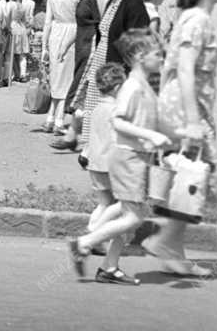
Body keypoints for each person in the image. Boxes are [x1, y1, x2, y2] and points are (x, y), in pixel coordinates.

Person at [142, 0, 217, 278]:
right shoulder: (197, 21)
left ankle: (173, 252)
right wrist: (192, 120)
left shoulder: (191, 18)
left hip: (181, 105)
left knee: (186, 173)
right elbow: (186, 68)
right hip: (188, 109)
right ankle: (164, 240)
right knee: (195, 172)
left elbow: (169, 67)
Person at [68, 28, 170, 285]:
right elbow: (119, 121)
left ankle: (109, 267)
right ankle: (85, 242)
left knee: (131, 217)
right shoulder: (133, 86)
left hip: (138, 156)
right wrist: (152, 135)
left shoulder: (142, 84)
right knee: (134, 217)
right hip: (128, 158)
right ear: (138, 55)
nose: (162, 58)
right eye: (157, 54)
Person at [55, 0, 150, 151]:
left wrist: (126, 74)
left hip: (117, 67)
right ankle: (91, 151)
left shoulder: (133, 5)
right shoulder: (114, 0)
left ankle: (97, 154)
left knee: (110, 115)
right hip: (101, 61)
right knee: (93, 111)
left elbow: (136, 43)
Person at [60, 0, 112, 128]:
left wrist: (100, 49)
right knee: (83, 91)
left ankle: (76, 133)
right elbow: (81, 24)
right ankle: (75, 134)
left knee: (82, 90)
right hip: (83, 48)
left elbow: (103, 22)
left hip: (91, 49)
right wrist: (66, 45)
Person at [81, 62, 128, 237]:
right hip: (111, 166)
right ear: (117, 88)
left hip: (95, 164)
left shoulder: (96, 109)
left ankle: (95, 234)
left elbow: (91, 137)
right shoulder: (115, 111)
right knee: (119, 204)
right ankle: (94, 233)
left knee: (104, 203)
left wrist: (84, 153)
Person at [41, 0, 82, 131]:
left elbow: (47, 22)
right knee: (67, 79)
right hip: (72, 31)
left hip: (55, 33)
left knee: (57, 76)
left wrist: (44, 46)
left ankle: (50, 117)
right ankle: (58, 119)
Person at [8, 0, 35, 83]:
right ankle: (23, 74)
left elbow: (7, 17)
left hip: (13, 27)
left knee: (12, 52)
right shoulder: (23, 6)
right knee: (22, 53)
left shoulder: (10, 5)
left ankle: (15, 74)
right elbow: (25, 20)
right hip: (22, 28)